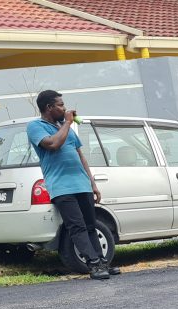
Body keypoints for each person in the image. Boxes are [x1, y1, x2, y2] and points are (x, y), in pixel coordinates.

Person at [27, 90, 118, 280]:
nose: (64, 108)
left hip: (82, 184)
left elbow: (80, 155)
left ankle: (102, 263)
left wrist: (92, 183)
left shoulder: (65, 127)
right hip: (61, 187)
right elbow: (53, 144)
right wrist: (68, 122)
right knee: (77, 227)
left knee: (91, 226)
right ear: (49, 108)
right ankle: (92, 265)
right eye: (60, 105)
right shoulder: (36, 126)